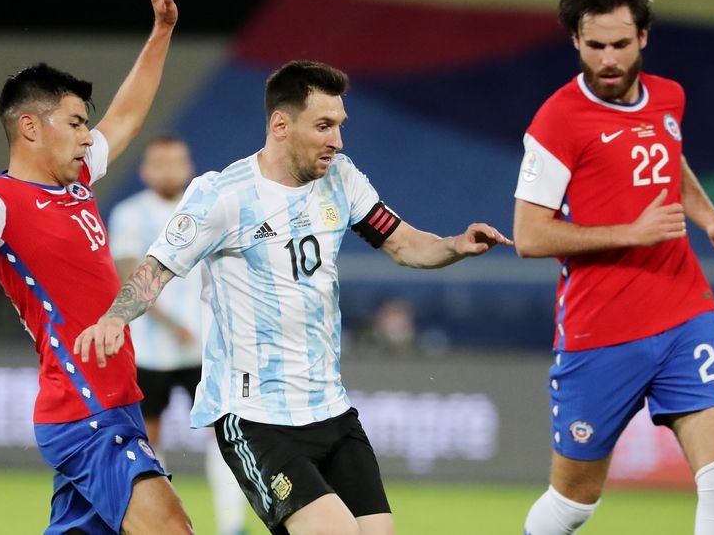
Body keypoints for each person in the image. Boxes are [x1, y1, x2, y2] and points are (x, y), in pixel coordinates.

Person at [75, 60, 512, 535]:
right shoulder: (224, 196)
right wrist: (116, 318)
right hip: (257, 417)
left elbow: (403, 243)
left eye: (340, 126)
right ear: (280, 125)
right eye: (324, 126)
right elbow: (157, 267)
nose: (337, 141)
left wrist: (455, 245)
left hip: (330, 408)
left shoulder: (341, 179)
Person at [0, 0, 193, 535]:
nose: (87, 134)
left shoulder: (79, 180)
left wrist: (162, 32)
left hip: (116, 402)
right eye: (74, 122)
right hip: (85, 409)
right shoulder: (3, 204)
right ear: (30, 127)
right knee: (172, 529)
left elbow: (127, 116)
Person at [512, 0, 714, 535]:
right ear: (575, 41)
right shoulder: (557, 122)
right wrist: (629, 232)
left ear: (643, 36)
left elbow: (671, 160)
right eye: (594, 46)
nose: (608, 60)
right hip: (600, 332)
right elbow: (529, 236)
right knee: (573, 505)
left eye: (621, 44)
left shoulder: (669, 98)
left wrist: (711, 220)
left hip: (683, 311)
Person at [107, 134, 248, 535]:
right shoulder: (130, 214)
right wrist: (173, 324)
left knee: (224, 434)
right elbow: (131, 276)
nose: (169, 170)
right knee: (147, 441)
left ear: (188, 166)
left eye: (176, 162)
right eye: (160, 163)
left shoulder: (209, 209)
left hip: (206, 347)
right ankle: (157, 522)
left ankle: (231, 524)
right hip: (150, 351)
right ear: (145, 170)